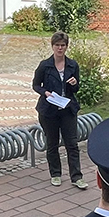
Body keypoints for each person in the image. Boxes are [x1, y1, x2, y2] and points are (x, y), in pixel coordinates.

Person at [32, 32, 85, 189]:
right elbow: (35, 85)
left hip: (67, 108)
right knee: (52, 143)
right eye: (57, 45)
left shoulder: (72, 65)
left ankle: (76, 177)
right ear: (52, 46)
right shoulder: (45, 65)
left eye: (63, 45)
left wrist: (74, 83)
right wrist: (45, 93)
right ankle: (55, 174)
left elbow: (76, 88)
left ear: (66, 47)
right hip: (49, 109)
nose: (60, 48)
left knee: (72, 144)